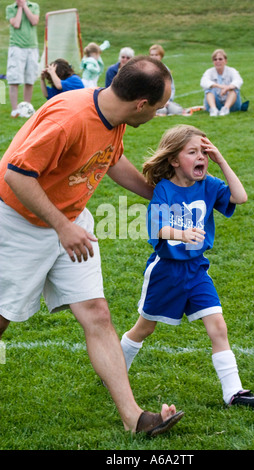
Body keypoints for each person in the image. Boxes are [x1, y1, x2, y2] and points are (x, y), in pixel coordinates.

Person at [0, 56, 184, 437]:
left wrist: (155, 195)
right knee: (2, 318)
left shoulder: (111, 114)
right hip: (18, 223)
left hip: (69, 221)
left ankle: (134, 418)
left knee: (98, 313)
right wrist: (62, 227)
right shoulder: (69, 118)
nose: (158, 114)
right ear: (141, 105)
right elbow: (17, 174)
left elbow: (109, 159)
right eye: (160, 107)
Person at [121, 124, 254, 409]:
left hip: (197, 270)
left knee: (218, 327)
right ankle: (113, 371)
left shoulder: (209, 185)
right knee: (144, 329)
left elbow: (240, 197)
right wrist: (182, 234)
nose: (201, 156)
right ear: (175, 160)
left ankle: (233, 393)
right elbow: (156, 227)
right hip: (166, 272)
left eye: (203, 151)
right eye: (192, 152)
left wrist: (221, 161)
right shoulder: (164, 189)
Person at [6, 0, 40, 117]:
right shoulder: (11, 8)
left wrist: (25, 6)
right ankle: (15, 109)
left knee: (30, 79)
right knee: (14, 79)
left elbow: (34, 21)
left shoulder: (34, 6)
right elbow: (16, 23)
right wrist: (19, 8)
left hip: (32, 47)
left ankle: (27, 108)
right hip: (17, 47)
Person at [200, 49, 243, 117]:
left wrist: (227, 88)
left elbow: (238, 81)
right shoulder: (209, 72)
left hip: (232, 104)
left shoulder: (232, 70)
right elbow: (204, 82)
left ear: (225, 61)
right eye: (215, 59)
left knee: (234, 89)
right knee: (208, 89)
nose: (218, 61)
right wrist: (220, 86)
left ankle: (226, 109)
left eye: (220, 59)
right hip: (216, 102)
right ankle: (213, 109)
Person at [149, 44, 183, 115]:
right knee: (162, 111)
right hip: (152, 101)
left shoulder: (165, 69)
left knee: (177, 111)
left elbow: (171, 87)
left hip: (165, 101)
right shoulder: (146, 69)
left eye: (156, 55)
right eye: (152, 55)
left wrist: (167, 100)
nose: (154, 57)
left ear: (161, 56)